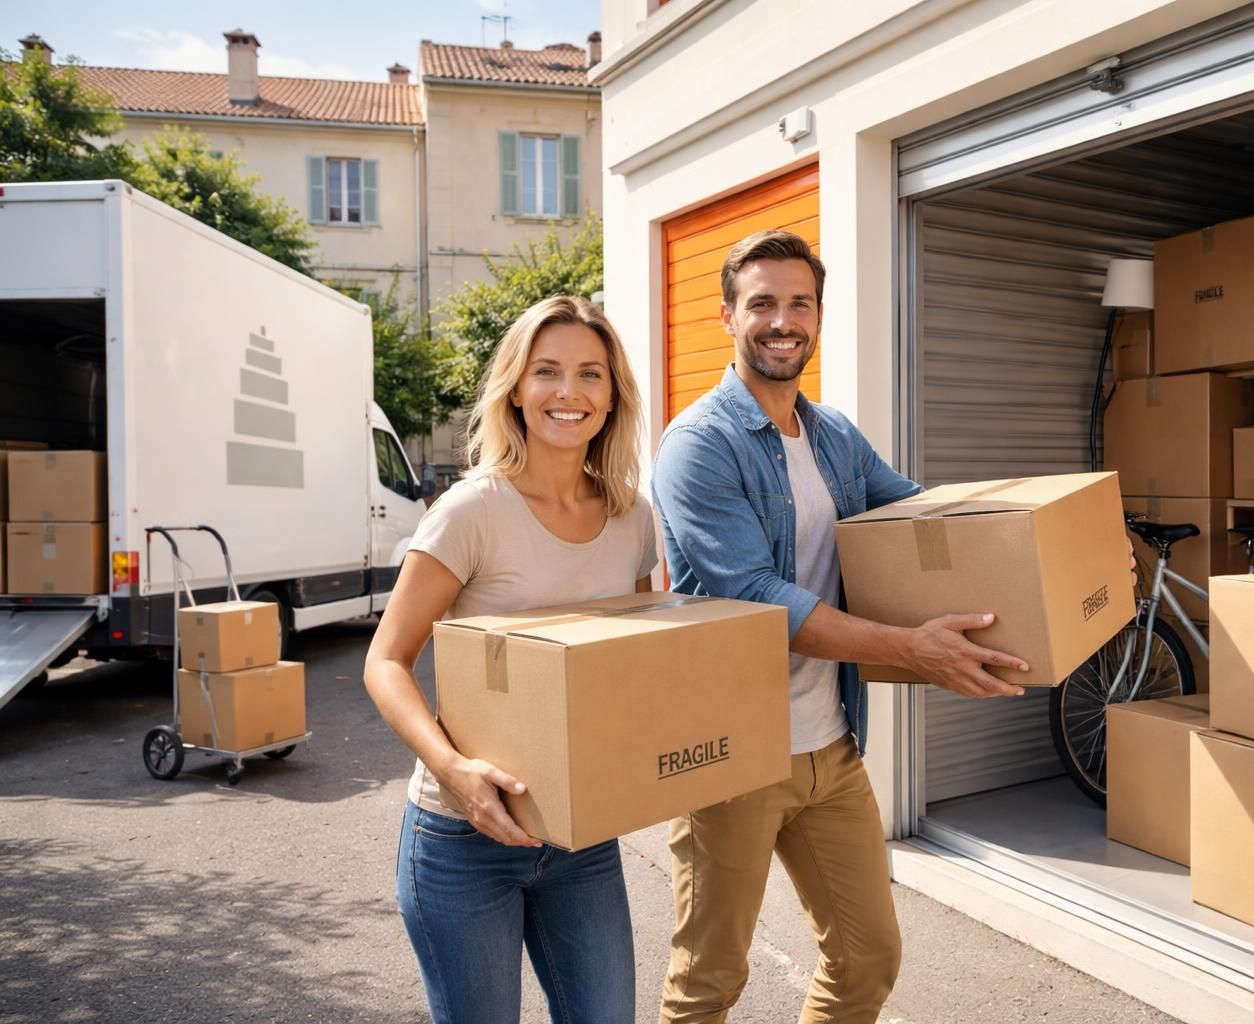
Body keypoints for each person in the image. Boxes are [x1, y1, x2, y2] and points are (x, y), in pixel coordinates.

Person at [650, 229, 1042, 1024]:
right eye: (762, 303)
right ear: (728, 316)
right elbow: (759, 597)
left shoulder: (832, 436)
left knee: (867, 957)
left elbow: (926, 520)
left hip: (830, 746)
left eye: (799, 303)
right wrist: (913, 650)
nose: (782, 320)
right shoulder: (698, 445)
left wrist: (1067, 553)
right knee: (709, 981)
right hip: (734, 757)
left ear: (819, 317)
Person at [364, 295, 654, 1024]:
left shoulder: (632, 518)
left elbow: (636, 667)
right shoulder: (473, 511)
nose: (569, 392)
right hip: (463, 839)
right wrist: (455, 773)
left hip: (580, 837)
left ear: (613, 395)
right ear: (516, 389)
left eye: (591, 374)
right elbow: (386, 662)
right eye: (547, 371)